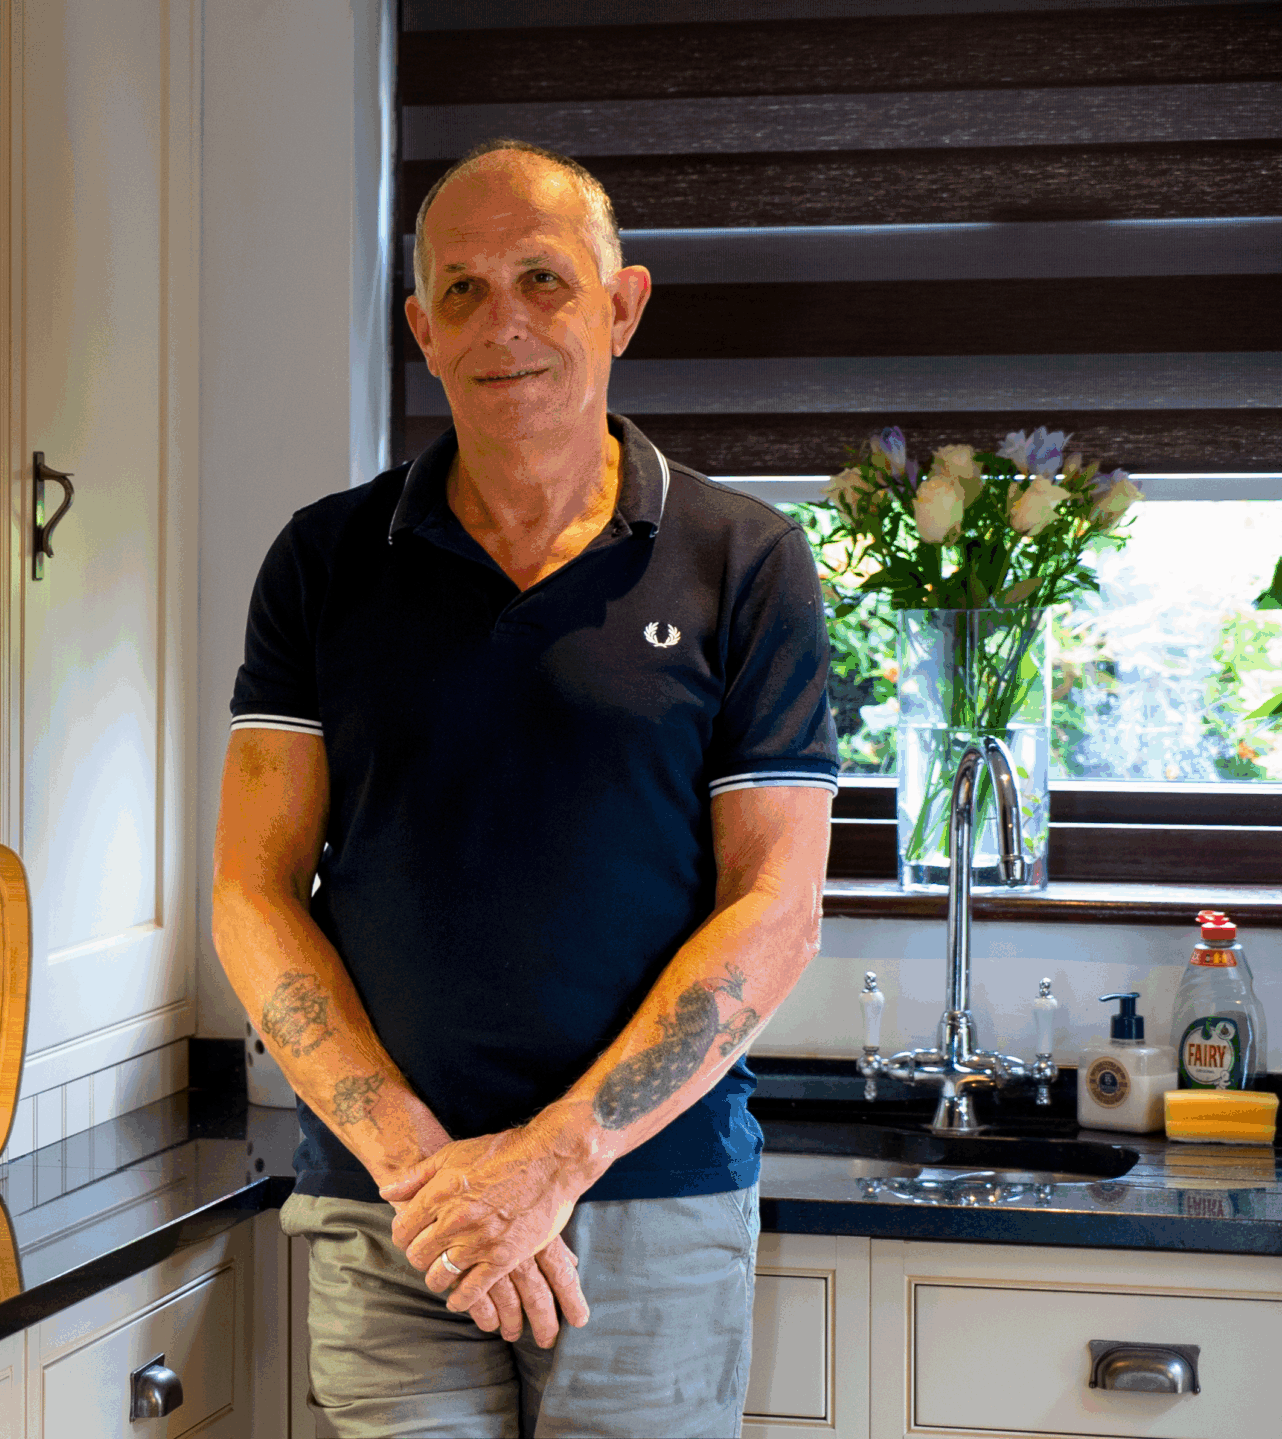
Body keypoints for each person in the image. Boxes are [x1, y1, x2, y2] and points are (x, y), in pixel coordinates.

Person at [212, 137, 838, 1438]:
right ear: (421, 331)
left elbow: (775, 908)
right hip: (395, 1210)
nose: (504, 322)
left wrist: (551, 1163)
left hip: (651, 1204)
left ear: (623, 305)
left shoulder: (745, 561)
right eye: (464, 289)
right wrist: (426, 1170)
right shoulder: (325, 562)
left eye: (544, 279)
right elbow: (251, 891)